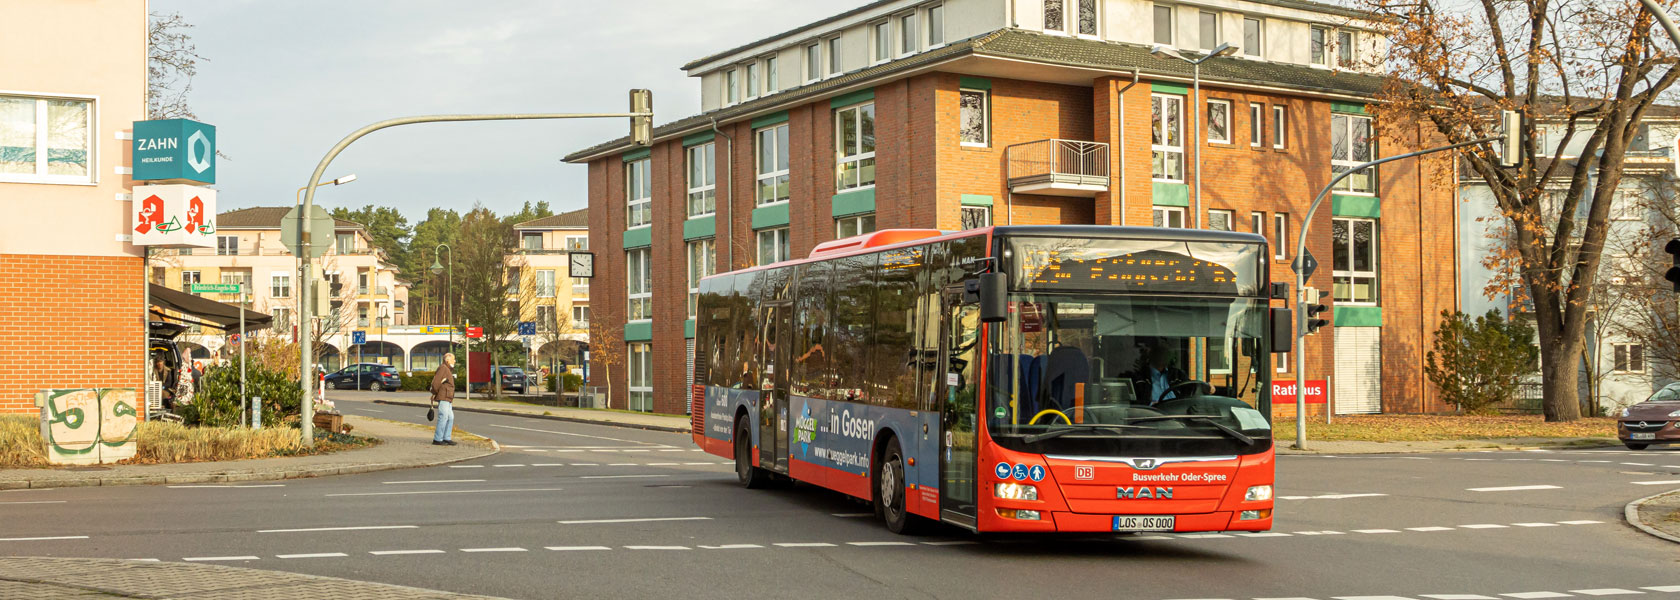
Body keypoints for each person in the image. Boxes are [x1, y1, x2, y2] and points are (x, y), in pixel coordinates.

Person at [1129, 340, 1188, 406]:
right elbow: (1132, 403)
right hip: (1152, 414)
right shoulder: (1138, 378)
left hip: (1178, 412)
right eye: (1160, 352)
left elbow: (1192, 392)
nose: (1164, 356)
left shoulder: (1178, 375)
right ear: (1151, 354)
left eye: (1167, 352)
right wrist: (1151, 405)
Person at [430, 353, 457, 445]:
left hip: (448, 397)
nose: (455, 361)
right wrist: (435, 392)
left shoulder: (447, 369)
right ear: (447, 360)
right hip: (444, 396)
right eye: (453, 359)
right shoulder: (443, 368)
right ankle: (438, 439)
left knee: (450, 417)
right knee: (444, 417)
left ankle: (446, 437)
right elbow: (435, 383)